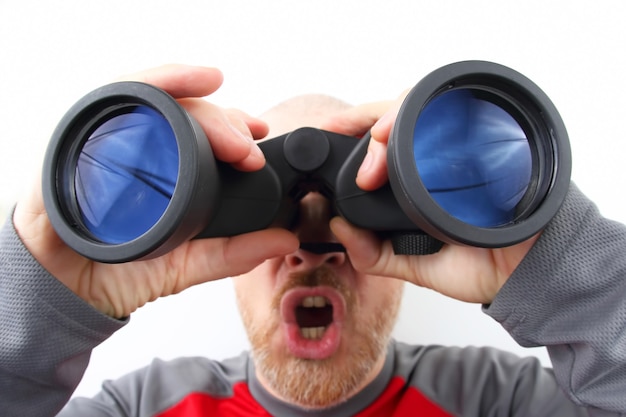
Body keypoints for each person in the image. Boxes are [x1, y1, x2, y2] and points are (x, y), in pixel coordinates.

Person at [1, 64, 625, 417]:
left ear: (413, 240)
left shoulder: (503, 403)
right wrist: (32, 307)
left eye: (351, 219)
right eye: (264, 224)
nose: (311, 249)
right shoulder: (139, 408)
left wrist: (559, 266)